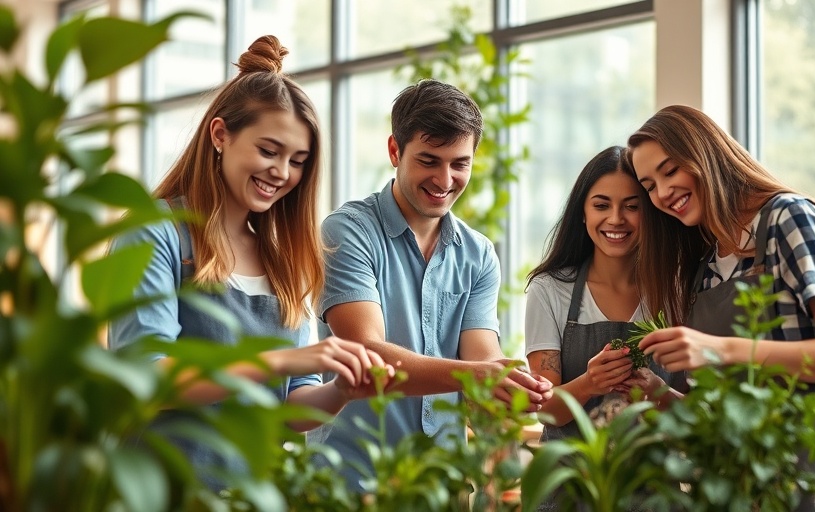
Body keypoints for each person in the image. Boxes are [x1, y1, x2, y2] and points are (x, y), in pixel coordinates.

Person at [108, 35, 392, 489]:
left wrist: (341, 390)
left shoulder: (285, 260)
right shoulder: (153, 231)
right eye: (268, 150)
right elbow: (147, 376)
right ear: (220, 134)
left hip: (253, 493)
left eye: (297, 161)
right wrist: (279, 361)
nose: (282, 172)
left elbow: (290, 406)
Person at [626, 104, 815, 511]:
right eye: (649, 185)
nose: (661, 193)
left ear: (705, 153)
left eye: (670, 170)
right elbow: (728, 408)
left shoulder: (789, 219)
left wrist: (719, 349)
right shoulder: (708, 268)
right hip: (744, 480)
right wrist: (660, 396)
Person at [307, 78, 553, 490]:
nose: (445, 179)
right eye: (429, 160)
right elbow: (369, 353)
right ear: (394, 151)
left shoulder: (478, 254)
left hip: (442, 483)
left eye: (460, 163)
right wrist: (479, 374)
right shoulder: (346, 232)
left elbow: (481, 358)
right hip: (351, 481)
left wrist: (509, 386)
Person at [524, 146, 684, 512]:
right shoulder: (549, 290)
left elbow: (697, 413)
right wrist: (589, 383)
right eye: (601, 205)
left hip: (654, 495)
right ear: (582, 212)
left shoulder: (676, 291)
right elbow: (547, 411)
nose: (616, 219)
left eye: (632, 206)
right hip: (569, 493)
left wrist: (658, 393)